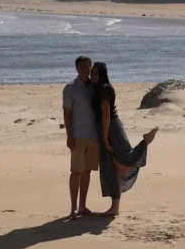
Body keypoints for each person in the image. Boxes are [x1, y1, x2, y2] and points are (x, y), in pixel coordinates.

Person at [91, 61, 157, 216]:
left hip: (111, 129)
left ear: (101, 74)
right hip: (106, 128)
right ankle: (115, 207)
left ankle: (145, 142)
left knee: (122, 163)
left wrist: (105, 138)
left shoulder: (104, 89)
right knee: (114, 168)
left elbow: (106, 114)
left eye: (95, 73)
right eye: (91, 72)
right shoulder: (98, 88)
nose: (92, 75)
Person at [62, 55, 100, 218]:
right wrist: (69, 136)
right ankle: (73, 207)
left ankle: (83, 206)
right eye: (83, 67)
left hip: (93, 137)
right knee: (76, 171)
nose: (86, 70)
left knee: (87, 172)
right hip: (78, 136)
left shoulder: (94, 87)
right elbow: (67, 113)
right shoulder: (70, 88)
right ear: (77, 69)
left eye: (88, 67)